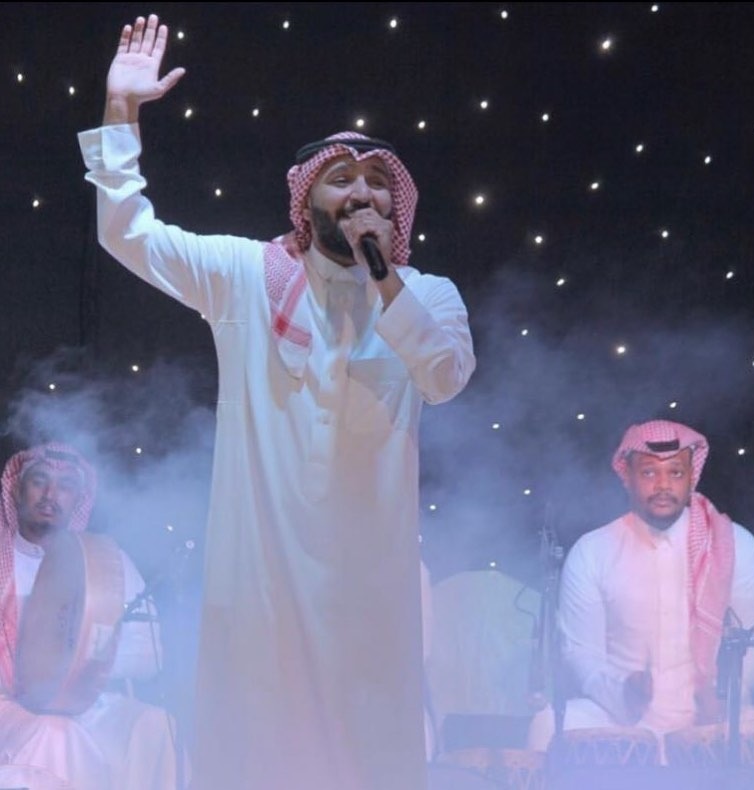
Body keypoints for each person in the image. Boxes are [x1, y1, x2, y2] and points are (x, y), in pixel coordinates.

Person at [78, 14, 475, 790]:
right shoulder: (244, 278)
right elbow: (126, 233)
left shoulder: (426, 294)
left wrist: (381, 275)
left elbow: (444, 376)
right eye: (342, 178)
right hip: (260, 589)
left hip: (369, 597)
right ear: (305, 197)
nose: (361, 192)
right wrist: (120, 110)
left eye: (377, 182)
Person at [527, 419, 754, 764]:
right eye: (649, 473)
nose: (663, 485)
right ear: (628, 476)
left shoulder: (734, 544)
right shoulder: (593, 551)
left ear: (691, 477)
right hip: (621, 717)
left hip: (710, 714)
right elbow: (581, 652)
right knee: (548, 724)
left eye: (675, 473)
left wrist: (726, 696)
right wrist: (622, 689)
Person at [0, 442, 178, 789]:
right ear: (17, 490)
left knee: (155, 726)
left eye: (65, 487)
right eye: (39, 481)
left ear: (78, 500)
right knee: (53, 732)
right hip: (8, 700)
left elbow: (148, 653)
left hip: (86, 700)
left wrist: (80, 657)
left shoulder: (105, 562)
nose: (51, 495)